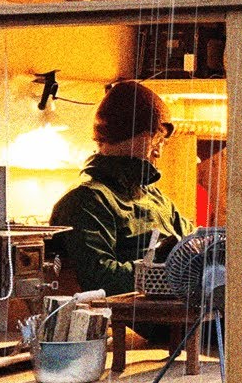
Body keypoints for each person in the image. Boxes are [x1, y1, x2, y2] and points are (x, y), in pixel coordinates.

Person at [50, 81, 195, 297]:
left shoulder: (156, 198)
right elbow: (99, 278)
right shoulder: (85, 202)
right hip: (131, 320)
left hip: (179, 312)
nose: (158, 152)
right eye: (157, 139)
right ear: (139, 138)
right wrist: (159, 265)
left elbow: (194, 240)